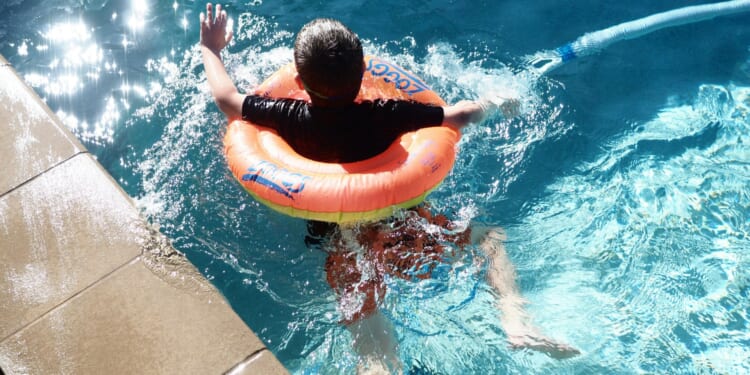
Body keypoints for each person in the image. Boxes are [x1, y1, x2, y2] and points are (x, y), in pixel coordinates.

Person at [199, 3, 578, 371]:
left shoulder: (288, 117)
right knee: (489, 240)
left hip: (342, 241)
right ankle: (515, 321)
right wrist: (494, 103)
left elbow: (227, 99)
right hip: (404, 224)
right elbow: (458, 116)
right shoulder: (385, 115)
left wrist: (211, 48)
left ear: (299, 83)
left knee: (371, 339)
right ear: (364, 70)